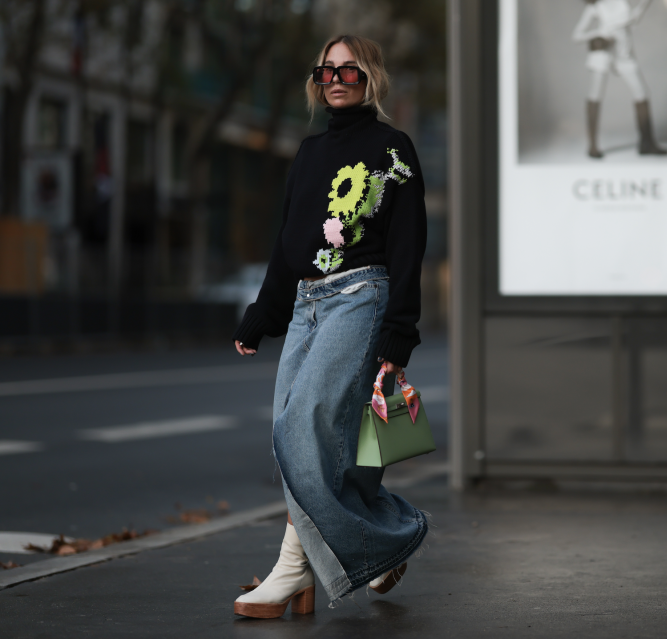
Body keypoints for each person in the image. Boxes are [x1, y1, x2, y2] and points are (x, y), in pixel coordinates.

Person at [231, 34, 428, 619]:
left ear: (372, 78)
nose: (337, 79)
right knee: (292, 435)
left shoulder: (394, 148)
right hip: (305, 302)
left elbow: (409, 243)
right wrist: (264, 312)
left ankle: (295, 570)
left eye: (350, 71)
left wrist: (400, 331)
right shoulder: (308, 151)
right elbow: (288, 240)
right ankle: (378, 544)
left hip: (361, 296)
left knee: (303, 429)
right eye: (326, 71)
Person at [572, 0, 667, 158]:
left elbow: (635, 18)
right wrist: (599, 34)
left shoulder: (622, 2)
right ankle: (593, 146)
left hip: (624, 52)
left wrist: (645, 4)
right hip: (603, 52)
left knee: (642, 93)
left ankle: (647, 143)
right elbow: (576, 36)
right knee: (595, 95)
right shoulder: (595, 7)